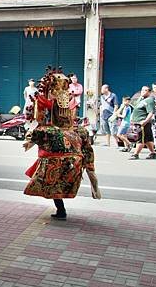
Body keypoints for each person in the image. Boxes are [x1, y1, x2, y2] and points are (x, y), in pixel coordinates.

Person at [24, 68, 101, 220]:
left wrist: (30, 141)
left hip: (56, 163)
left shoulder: (48, 131)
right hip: (73, 163)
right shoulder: (80, 131)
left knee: (52, 182)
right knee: (61, 178)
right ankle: (93, 183)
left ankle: (62, 210)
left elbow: (36, 127)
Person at [129, 86, 156, 160]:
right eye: (142, 90)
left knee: (141, 138)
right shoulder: (141, 100)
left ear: (149, 92)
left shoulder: (149, 100)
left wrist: (145, 121)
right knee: (147, 139)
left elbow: (151, 112)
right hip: (138, 122)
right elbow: (135, 108)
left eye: (145, 90)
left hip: (143, 123)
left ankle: (136, 154)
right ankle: (153, 153)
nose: (143, 92)